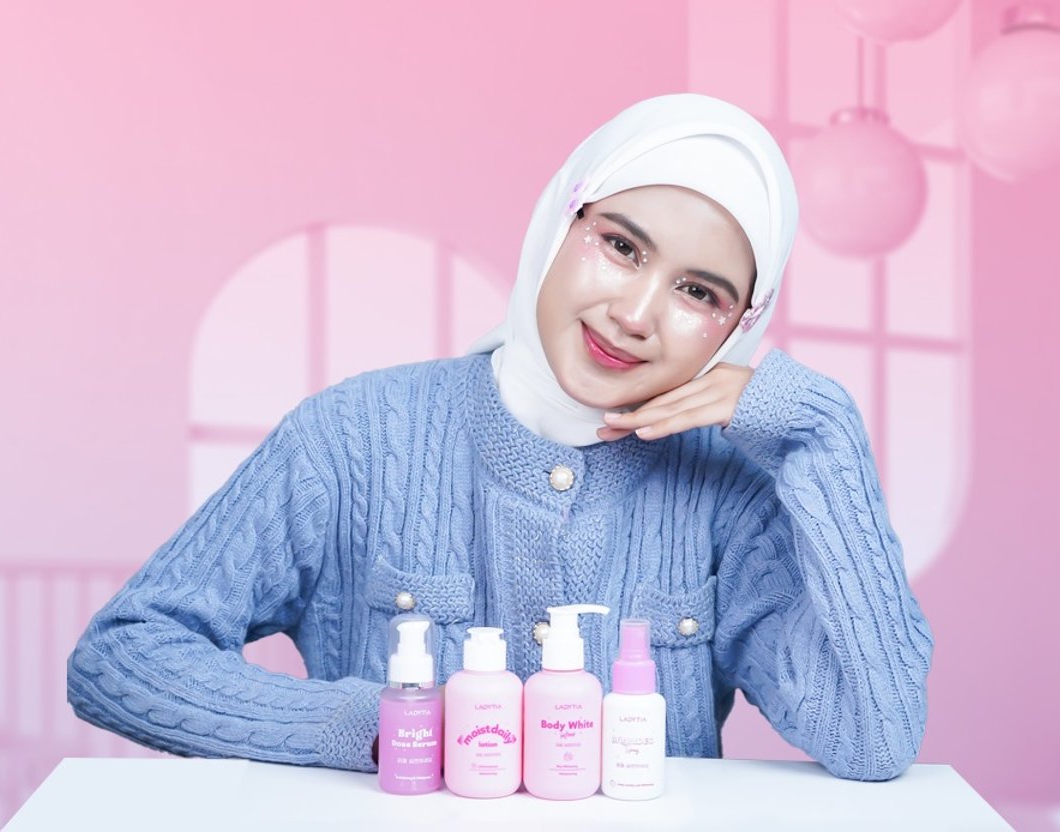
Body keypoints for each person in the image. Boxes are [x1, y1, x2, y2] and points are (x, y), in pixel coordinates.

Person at [66, 93, 933, 781]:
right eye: (622, 246)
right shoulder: (356, 437)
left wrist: (824, 436)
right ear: (561, 223)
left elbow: (875, 737)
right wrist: (371, 725)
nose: (634, 316)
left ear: (742, 327)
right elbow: (123, 655)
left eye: (698, 293)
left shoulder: (728, 493)